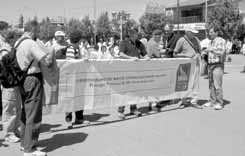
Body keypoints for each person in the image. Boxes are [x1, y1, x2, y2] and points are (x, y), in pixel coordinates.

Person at [16, 20, 52, 156]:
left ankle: (24, 143)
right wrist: (47, 50)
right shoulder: (31, 43)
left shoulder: (18, 42)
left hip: (21, 79)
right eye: (37, 31)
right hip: (32, 78)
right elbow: (46, 61)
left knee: (25, 112)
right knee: (33, 114)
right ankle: (29, 149)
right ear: (32, 31)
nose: (38, 34)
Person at [117, 28, 148, 119]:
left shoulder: (139, 43)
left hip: (137, 71)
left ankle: (133, 109)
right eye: (134, 34)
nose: (136, 35)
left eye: (136, 34)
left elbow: (144, 54)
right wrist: (131, 58)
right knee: (125, 91)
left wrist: (146, 57)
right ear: (130, 34)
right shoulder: (124, 42)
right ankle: (121, 111)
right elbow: (121, 54)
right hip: (126, 71)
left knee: (135, 91)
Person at [0, 30, 22, 143]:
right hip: (9, 84)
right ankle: (9, 133)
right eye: (16, 37)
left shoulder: (9, 47)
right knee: (9, 109)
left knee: (17, 107)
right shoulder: (5, 49)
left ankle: (14, 129)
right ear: (11, 38)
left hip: (14, 83)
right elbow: (6, 67)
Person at [65, 30, 90, 129]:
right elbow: (71, 63)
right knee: (70, 98)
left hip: (78, 77)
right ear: (78, 40)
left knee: (79, 97)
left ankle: (79, 118)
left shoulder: (77, 49)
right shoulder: (70, 49)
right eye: (80, 40)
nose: (81, 42)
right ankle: (68, 119)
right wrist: (81, 60)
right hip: (71, 78)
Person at [174, 25, 202, 109]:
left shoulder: (196, 40)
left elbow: (199, 51)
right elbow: (175, 54)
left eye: (194, 32)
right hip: (185, 65)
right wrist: (186, 55)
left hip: (195, 63)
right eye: (192, 32)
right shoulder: (181, 40)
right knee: (184, 83)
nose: (194, 34)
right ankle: (184, 101)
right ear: (187, 32)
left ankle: (194, 101)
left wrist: (197, 55)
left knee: (195, 83)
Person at [203, 26, 226, 110]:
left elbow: (221, 52)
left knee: (217, 85)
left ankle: (220, 103)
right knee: (211, 85)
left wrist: (210, 50)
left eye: (212, 32)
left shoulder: (221, 40)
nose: (210, 33)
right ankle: (212, 101)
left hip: (218, 65)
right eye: (209, 32)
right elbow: (210, 52)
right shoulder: (211, 42)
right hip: (210, 65)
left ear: (216, 32)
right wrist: (204, 53)